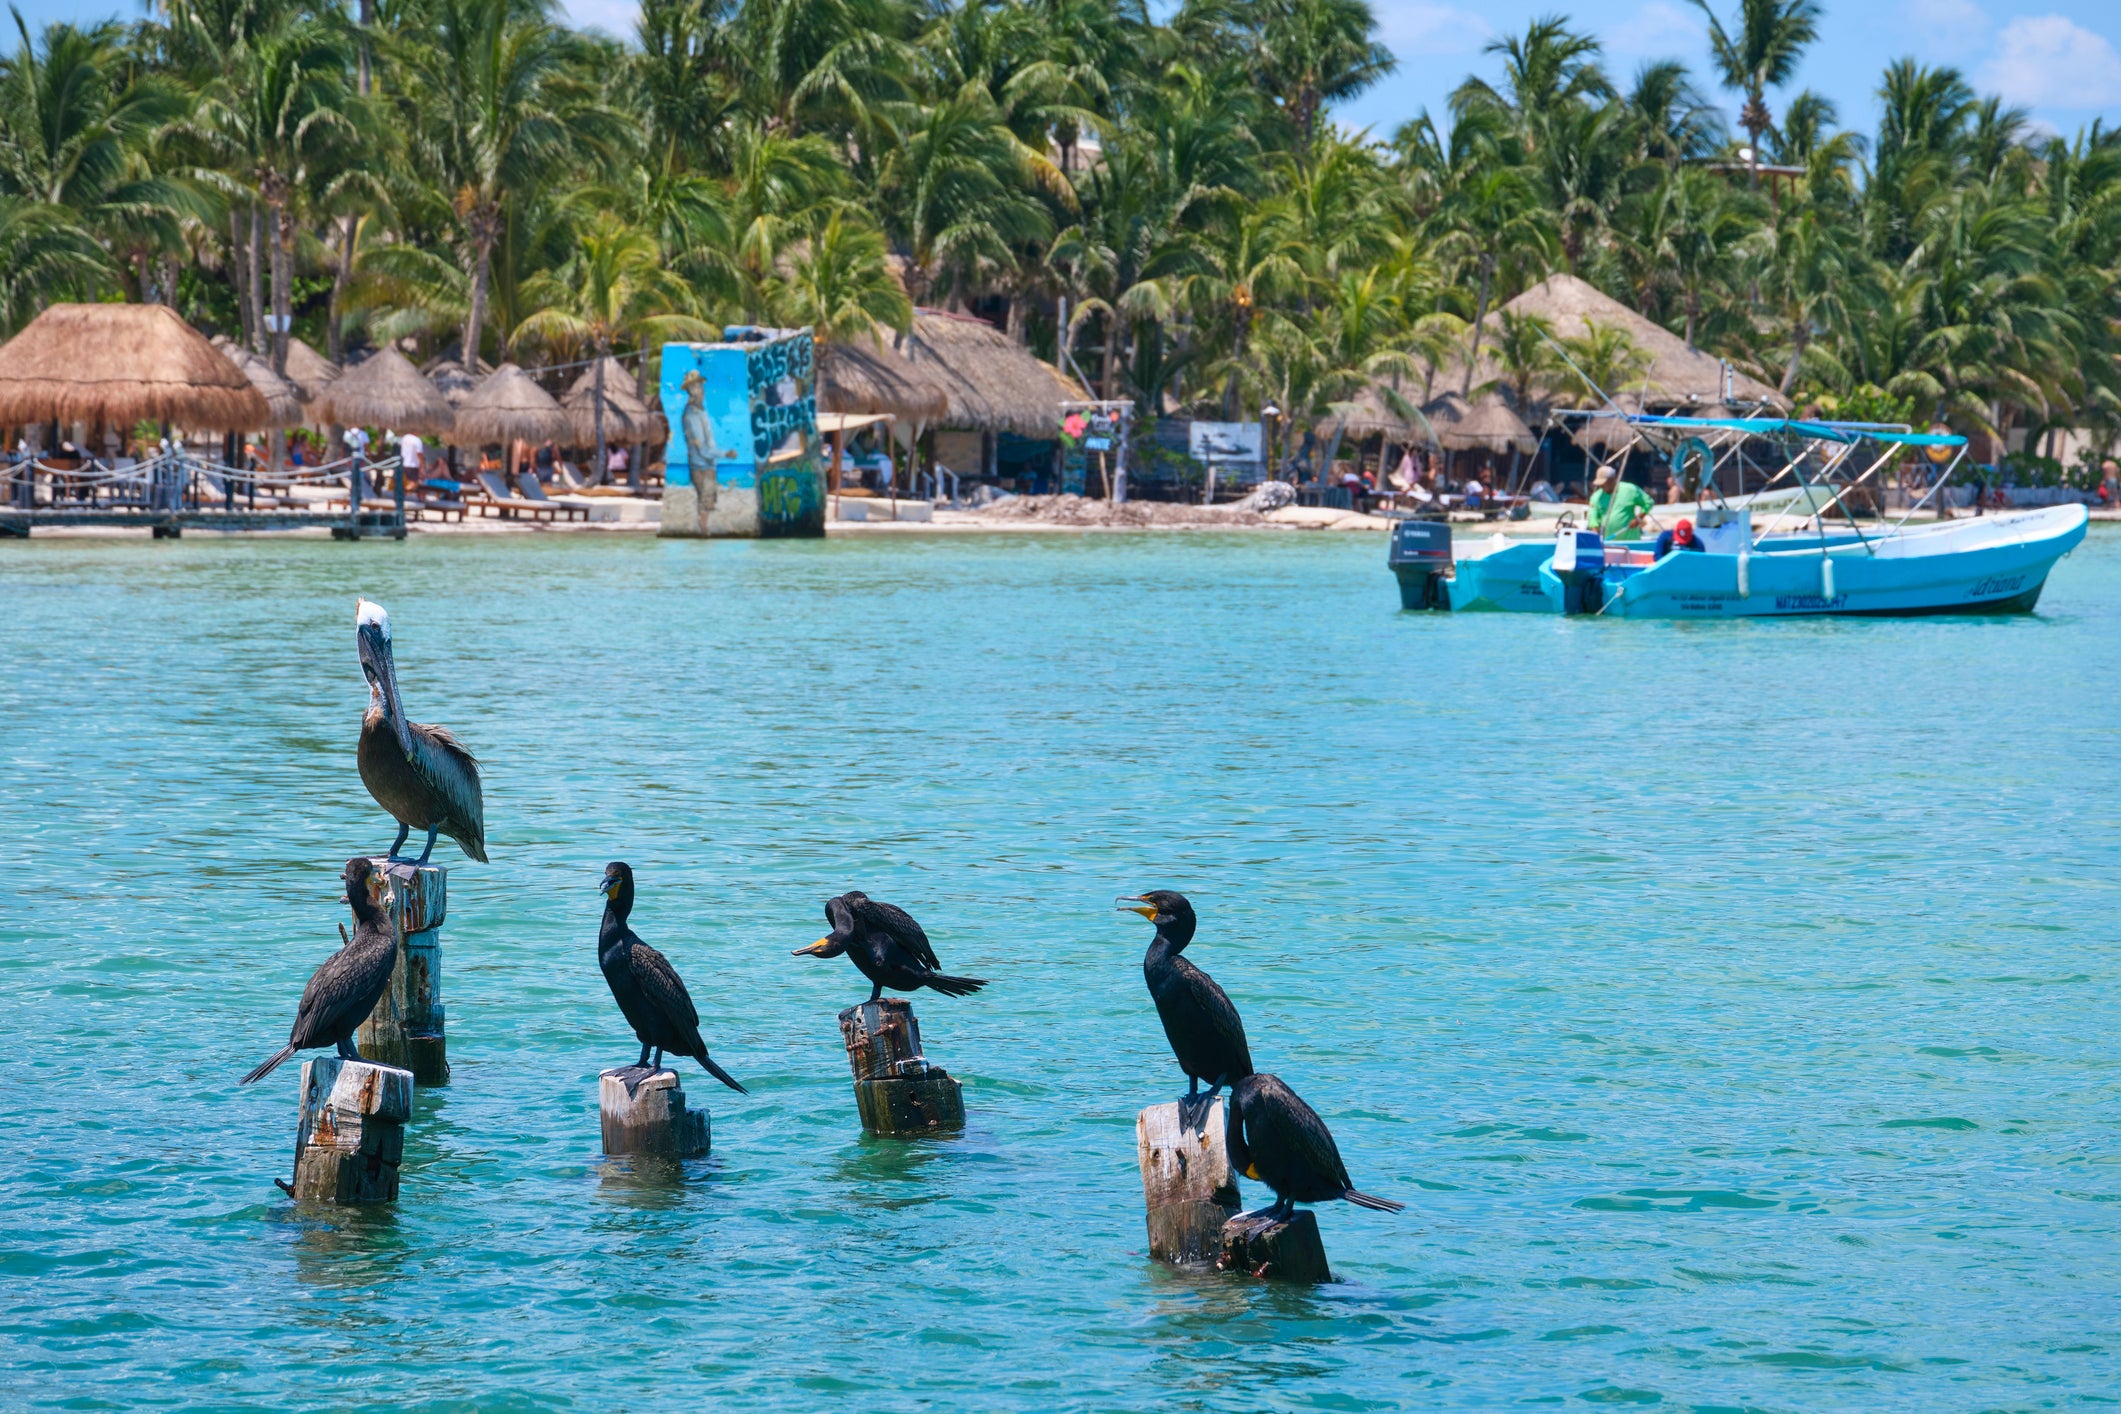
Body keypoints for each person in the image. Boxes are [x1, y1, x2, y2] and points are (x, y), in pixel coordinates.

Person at [1587, 464, 1653, 539]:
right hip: (1608, 541)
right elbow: (1593, 519)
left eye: (1604, 483)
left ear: (1612, 479)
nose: (1601, 485)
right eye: (1600, 484)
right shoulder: (1596, 497)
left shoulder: (1630, 490)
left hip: (1630, 541)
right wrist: (1596, 536)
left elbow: (1648, 502)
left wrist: (1639, 518)